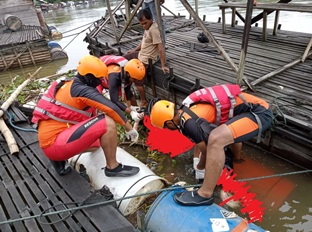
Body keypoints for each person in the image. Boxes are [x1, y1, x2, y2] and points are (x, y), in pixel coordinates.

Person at [148, 84, 273, 206]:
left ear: (169, 123)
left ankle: (205, 194)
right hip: (247, 108)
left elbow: (206, 149)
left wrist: (201, 166)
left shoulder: (188, 124)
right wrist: (199, 162)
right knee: (226, 135)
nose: (168, 130)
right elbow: (198, 139)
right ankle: (237, 159)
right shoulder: (186, 111)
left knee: (216, 139)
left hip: (259, 112)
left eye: (166, 127)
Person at [32, 55, 140, 177]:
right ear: (89, 76)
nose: (100, 81)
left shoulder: (70, 83)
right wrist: (129, 128)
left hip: (50, 140)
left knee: (97, 144)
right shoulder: (81, 90)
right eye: (98, 78)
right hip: (54, 144)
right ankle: (112, 167)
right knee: (107, 121)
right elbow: (111, 108)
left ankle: (59, 161)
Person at [123, 8, 169, 108]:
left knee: (136, 79)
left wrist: (163, 65)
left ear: (151, 19)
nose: (144, 26)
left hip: (146, 60)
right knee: (122, 60)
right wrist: (134, 50)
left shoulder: (154, 30)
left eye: (145, 23)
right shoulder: (147, 28)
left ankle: (143, 101)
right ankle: (126, 87)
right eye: (141, 24)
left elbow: (161, 49)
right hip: (140, 54)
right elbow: (144, 42)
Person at [99, 55, 146, 123]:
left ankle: (137, 117)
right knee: (101, 100)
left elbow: (127, 91)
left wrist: (131, 108)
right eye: (134, 79)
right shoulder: (113, 78)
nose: (135, 81)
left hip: (119, 78)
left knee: (131, 97)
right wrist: (131, 112)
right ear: (128, 74)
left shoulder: (128, 73)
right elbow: (114, 101)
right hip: (100, 80)